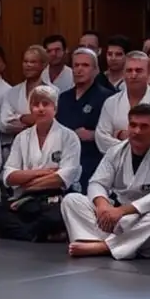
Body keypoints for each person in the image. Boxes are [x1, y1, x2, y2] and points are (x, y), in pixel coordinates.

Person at [61, 104, 150, 258]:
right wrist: (103, 206)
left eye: (144, 126)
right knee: (71, 200)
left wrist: (121, 211)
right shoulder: (116, 151)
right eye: (133, 125)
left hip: (144, 217)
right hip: (115, 221)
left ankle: (103, 246)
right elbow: (97, 183)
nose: (137, 131)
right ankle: (128, 245)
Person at [0, 85, 81, 242]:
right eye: (36, 105)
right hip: (26, 198)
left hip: (53, 198)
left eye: (45, 104)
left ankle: (7, 232)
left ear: (55, 108)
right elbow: (9, 176)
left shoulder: (69, 137)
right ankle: (39, 235)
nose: (40, 109)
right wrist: (40, 173)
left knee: (54, 218)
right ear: (30, 109)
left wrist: (27, 182)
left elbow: (64, 177)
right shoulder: (22, 137)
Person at [56, 47, 113, 192]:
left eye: (85, 65)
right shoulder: (64, 97)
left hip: (93, 159)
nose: (79, 69)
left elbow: (114, 132)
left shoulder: (108, 97)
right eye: (76, 65)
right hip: (64, 158)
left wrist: (94, 135)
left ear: (96, 70)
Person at [95, 51, 150, 154]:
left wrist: (121, 135)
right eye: (129, 70)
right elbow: (101, 137)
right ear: (123, 73)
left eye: (139, 70)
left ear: (148, 73)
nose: (133, 75)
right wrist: (132, 146)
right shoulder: (111, 102)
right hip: (117, 162)